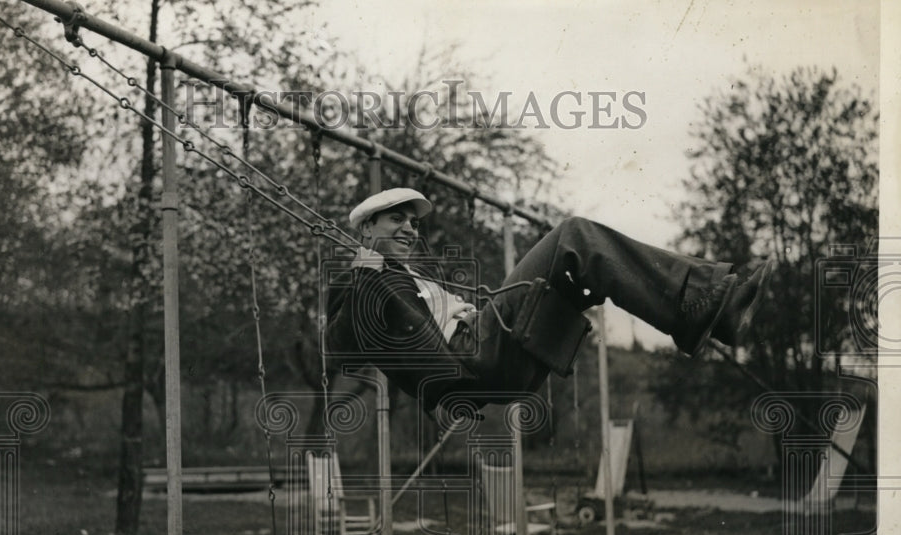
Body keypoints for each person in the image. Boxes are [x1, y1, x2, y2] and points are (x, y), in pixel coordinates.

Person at [326, 187, 774, 413]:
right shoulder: (359, 280)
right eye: (396, 220)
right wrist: (363, 275)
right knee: (574, 236)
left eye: (413, 223)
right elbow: (339, 345)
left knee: (584, 267)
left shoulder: (400, 275)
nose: (409, 229)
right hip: (479, 351)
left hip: (496, 352)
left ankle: (714, 313)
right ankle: (701, 306)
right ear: (366, 229)